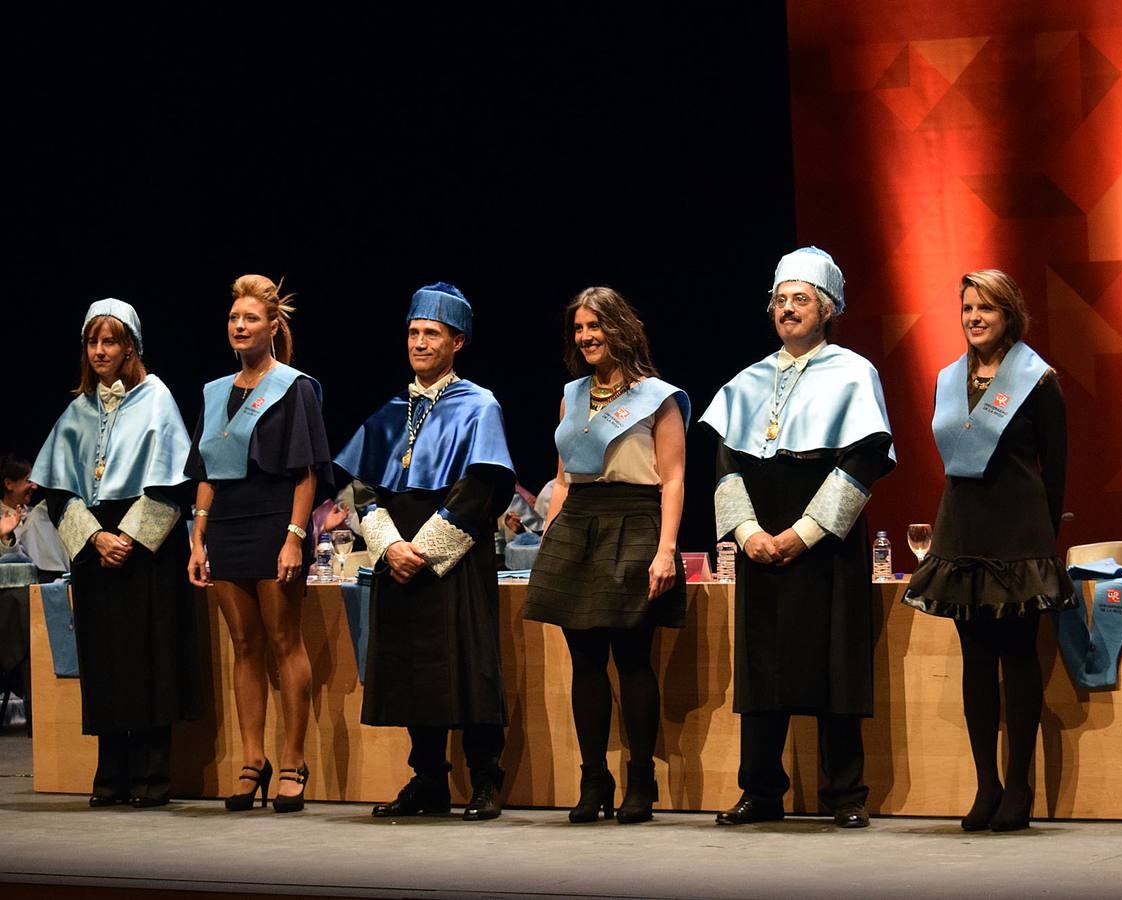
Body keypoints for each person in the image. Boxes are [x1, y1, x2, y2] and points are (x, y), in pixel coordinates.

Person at [701, 247, 895, 829]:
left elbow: (862, 461)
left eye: (800, 299)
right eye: (780, 300)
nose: (787, 309)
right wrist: (749, 532)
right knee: (763, 666)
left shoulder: (855, 373)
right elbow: (726, 461)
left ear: (827, 309)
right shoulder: (747, 380)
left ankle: (845, 793)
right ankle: (761, 790)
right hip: (762, 536)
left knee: (833, 660)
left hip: (823, 542)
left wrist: (803, 534)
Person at [334, 282, 516, 822]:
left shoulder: (479, 406)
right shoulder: (391, 410)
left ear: (456, 341)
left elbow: (482, 488)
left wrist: (426, 548)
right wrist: (390, 546)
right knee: (415, 669)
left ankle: (485, 780)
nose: (419, 342)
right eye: (413, 332)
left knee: (469, 665)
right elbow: (360, 489)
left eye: (431, 333)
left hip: (453, 557)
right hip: (400, 559)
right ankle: (428, 779)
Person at [900, 269, 1068, 832]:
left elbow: (1056, 469)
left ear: (1009, 315)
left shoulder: (1037, 379)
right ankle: (986, 786)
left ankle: (1018, 785)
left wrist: (1044, 544)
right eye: (968, 308)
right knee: (976, 662)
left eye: (986, 309)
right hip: (962, 532)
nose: (974, 318)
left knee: (1018, 660)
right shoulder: (949, 379)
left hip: (1019, 536)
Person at [522, 287, 690, 824]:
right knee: (585, 662)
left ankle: (641, 779)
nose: (586, 336)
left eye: (595, 325)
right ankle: (594, 779)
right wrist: (550, 534)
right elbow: (563, 475)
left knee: (633, 661)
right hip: (578, 525)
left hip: (636, 522)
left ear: (620, 328)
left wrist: (667, 550)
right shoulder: (571, 395)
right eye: (578, 328)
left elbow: (674, 478)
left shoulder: (656, 397)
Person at [30, 299, 196, 807]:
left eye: (110, 342)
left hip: (146, 549)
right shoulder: (77, 411)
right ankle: (111, 774)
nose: (100, 351)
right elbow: (58, 492)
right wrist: (96, 538)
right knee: (104, 661)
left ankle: (150, 776)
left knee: (149, 656)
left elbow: (173, 485)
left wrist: (127, 537)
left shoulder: (157, 400)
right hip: (94, 549)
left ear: (131, 347)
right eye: (92, 342)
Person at [186, 275, 332, 813]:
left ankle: (292, 759)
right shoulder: (213, 392)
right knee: (243, 646)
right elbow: (205, 471)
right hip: (226, 526)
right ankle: (253, 759)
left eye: (250, 318)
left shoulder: (295, 387)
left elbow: (307, 474)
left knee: (282, 641)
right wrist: (197, 537)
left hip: (276, 523)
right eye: (233, 319)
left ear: (273, 326)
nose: (240, 326)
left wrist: (295, 539)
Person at [1, 454, 71, 579]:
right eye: (28, 481)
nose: (35, 486)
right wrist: (5, 537)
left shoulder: (40, 515)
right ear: (8, 484)